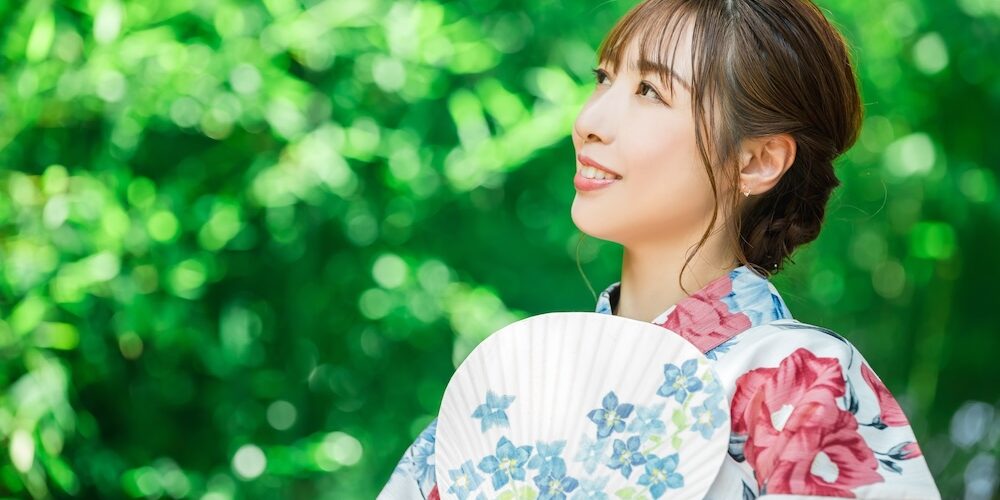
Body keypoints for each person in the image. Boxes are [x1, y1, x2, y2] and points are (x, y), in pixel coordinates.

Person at [380, 0, 941, 498]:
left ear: (757, 160)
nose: (589, 122)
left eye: (650, 91)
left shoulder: (799, 383)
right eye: (603, 79)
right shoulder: (512, 386)